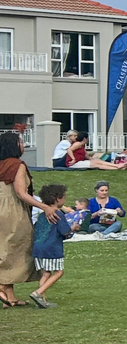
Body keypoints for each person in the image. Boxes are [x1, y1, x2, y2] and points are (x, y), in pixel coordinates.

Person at [0, 131, 46, 307]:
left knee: (5, 249)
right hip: (12, 210)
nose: (23, 145)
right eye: (20, 142)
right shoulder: (17, 165)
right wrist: (44, 207)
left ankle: (9, 297)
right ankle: (2, 286)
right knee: (16, 248)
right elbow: (21, 192)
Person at [27, 183, 73, 308]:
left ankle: (42, 300)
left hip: (38, 248)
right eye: (64, 197)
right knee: (59, 272)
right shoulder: (58, 214)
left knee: (46, 273)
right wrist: (74, 228)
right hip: (52, 249)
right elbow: (65, 232)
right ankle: (38, 293)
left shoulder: (42, 215)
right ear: (58, 199)